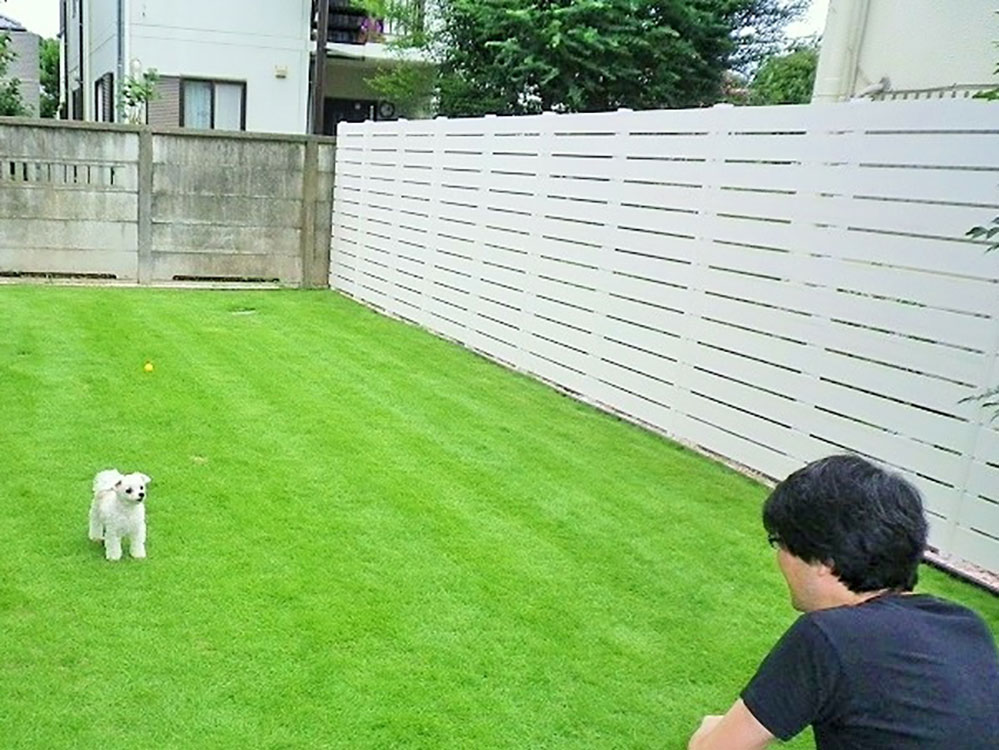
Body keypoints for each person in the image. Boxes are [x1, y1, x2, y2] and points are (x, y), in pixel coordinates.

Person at [688, 454, 999, 750]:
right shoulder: (965, 623)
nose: (779, 558)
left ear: (823, 559)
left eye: (780, 543)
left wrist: (707, 732)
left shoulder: (828, 636)